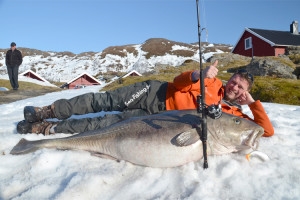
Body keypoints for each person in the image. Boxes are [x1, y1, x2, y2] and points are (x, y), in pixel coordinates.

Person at [17, 60, 274, 137]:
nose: (235, 88)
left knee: (105, 124)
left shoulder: (234, 115)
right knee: (103, 102)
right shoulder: (212, 80)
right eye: (235, 82)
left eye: (241, 88)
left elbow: (266, 131)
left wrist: (252, 103)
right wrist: (198, 74)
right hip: (155, 93)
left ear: (244, 93)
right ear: (229, 80)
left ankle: (47, 128)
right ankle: (47, 110)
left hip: (156, 119)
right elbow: (177, 82)